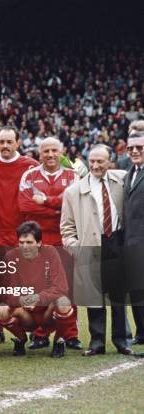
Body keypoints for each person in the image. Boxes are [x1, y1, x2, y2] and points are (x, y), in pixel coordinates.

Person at [60, 144, 135, 356]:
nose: (95, 165)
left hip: (117, 242)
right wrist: (76, 248)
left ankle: (122, 340)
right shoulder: (73, 191)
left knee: (119, 296)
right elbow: (66, 227)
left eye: (100, 161)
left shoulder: (122, 180)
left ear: (110, 161)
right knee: (94, 297)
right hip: (91, 246)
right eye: (92, 161)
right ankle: (97, 342)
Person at [18, 137, 80, 350]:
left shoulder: (73, 176)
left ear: (61, 152)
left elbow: (74, 206)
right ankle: (40, 333)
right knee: (40, 286)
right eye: (46, 151)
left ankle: (70, 334)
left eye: (54, 150)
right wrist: (58, 206)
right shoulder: (29, 175)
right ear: (39, 153)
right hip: (37, 242)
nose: (51, 155)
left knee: (68, 287)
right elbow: (25, 205)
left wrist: (46, 201)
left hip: (64, 239)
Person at [0, 221, 75, 358]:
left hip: (47, 312)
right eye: (21, 242)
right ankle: (20, 340)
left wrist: (38, 297)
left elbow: (62, 287)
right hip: (25, 314)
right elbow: (6, 293)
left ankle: (59, 341)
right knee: (2, 310)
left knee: (64, 302)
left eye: (29, 242)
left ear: (39, 243)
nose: (25, 247)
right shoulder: (10, 257)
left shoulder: (50, 252)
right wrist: (21, 299)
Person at [0, 126, 38, 247]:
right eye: (2, 142)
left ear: (18, 143)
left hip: (24, 234)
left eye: (9, 142)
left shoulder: (32, 166)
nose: (5, 145)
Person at [123, 130, 144, 346]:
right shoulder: (130, 173)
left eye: (140, 147)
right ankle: (142, 333)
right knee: (137, 292)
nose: (135, 151)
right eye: (131, 148)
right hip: (131, 245)